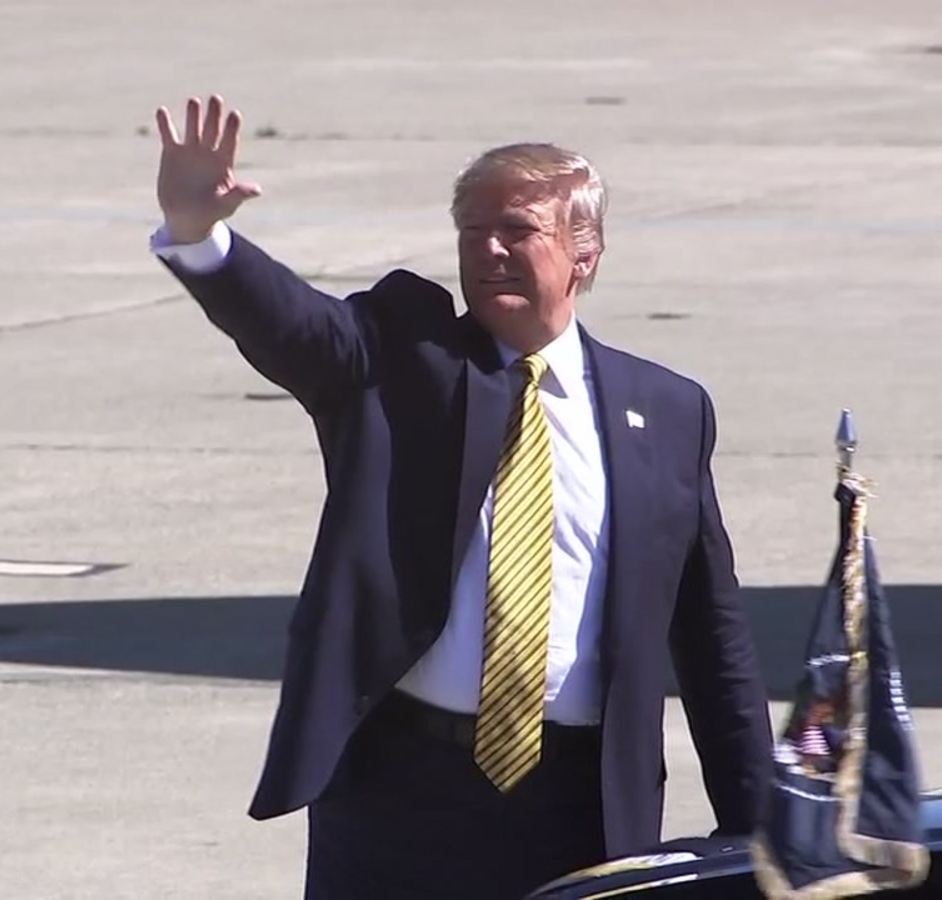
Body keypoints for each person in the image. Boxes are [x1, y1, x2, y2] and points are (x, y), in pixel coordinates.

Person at [149, 95, 774, 899]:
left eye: (517, 229)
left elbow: (711, 634)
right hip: (402, 793)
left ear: (584, 254)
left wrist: (757, 826)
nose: (489, 249)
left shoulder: (668, 411)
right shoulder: (403, 358)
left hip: (580, 805)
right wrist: (201, 236)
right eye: (472, 231)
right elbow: (296, 327)